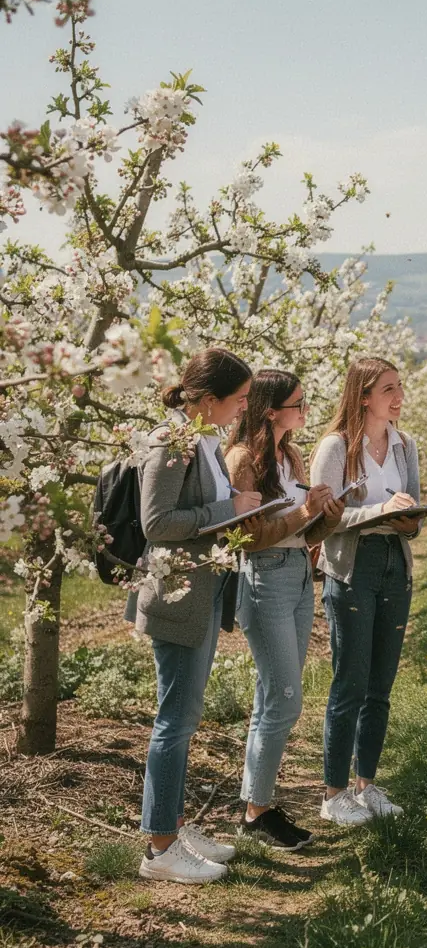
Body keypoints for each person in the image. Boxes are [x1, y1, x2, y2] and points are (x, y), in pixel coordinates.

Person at [130, 348, 259, 884]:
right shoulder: (172, 442)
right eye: (240, 399)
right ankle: (159, 848)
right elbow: (157, 523)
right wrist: (230, 509)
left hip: (200, 594)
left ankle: (174, 827)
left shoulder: (203, 439)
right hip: (177, 598)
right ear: (208, 400)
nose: (244, 409)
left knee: (183, 719)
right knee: (173, 721)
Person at [225, 369, 344, 850]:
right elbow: (248, 537)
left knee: (274, 696)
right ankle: (256, 809)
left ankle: (258, 805)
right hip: (265, 577)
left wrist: (325, 517)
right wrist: (302, 512)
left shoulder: (290, 454)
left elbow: (302, 532)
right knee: (285, 699)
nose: (305, 411)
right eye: (298, 404)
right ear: (271, 410)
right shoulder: (242, 461)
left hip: (297, 572)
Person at [310, 357, 422, 826]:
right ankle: (334, 791)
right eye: (388, 389)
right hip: (353, 567)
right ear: (363, 397)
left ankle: (367, 784)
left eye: (399, 387)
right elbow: (322, 517)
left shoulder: (404, 446)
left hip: (395, 565)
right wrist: (376, 512)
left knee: (381, 684)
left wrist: (408, 518)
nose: (398, 397)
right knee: (350, 681)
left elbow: (413, 517)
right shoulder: (335, 448)